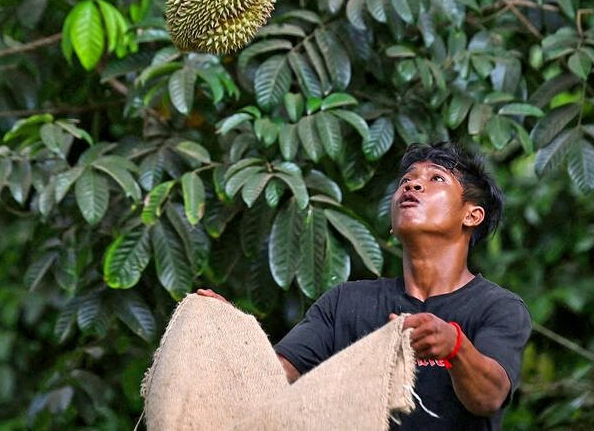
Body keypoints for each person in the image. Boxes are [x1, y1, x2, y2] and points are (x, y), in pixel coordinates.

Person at [199, 141, 532, 429]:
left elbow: (490, 397)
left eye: (436, 180)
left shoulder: (498, 307)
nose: (412, 187)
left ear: (472, 216)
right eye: (407, 181)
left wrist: (456, 346)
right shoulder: (345, 302)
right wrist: (236, 336)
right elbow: (272, 380)